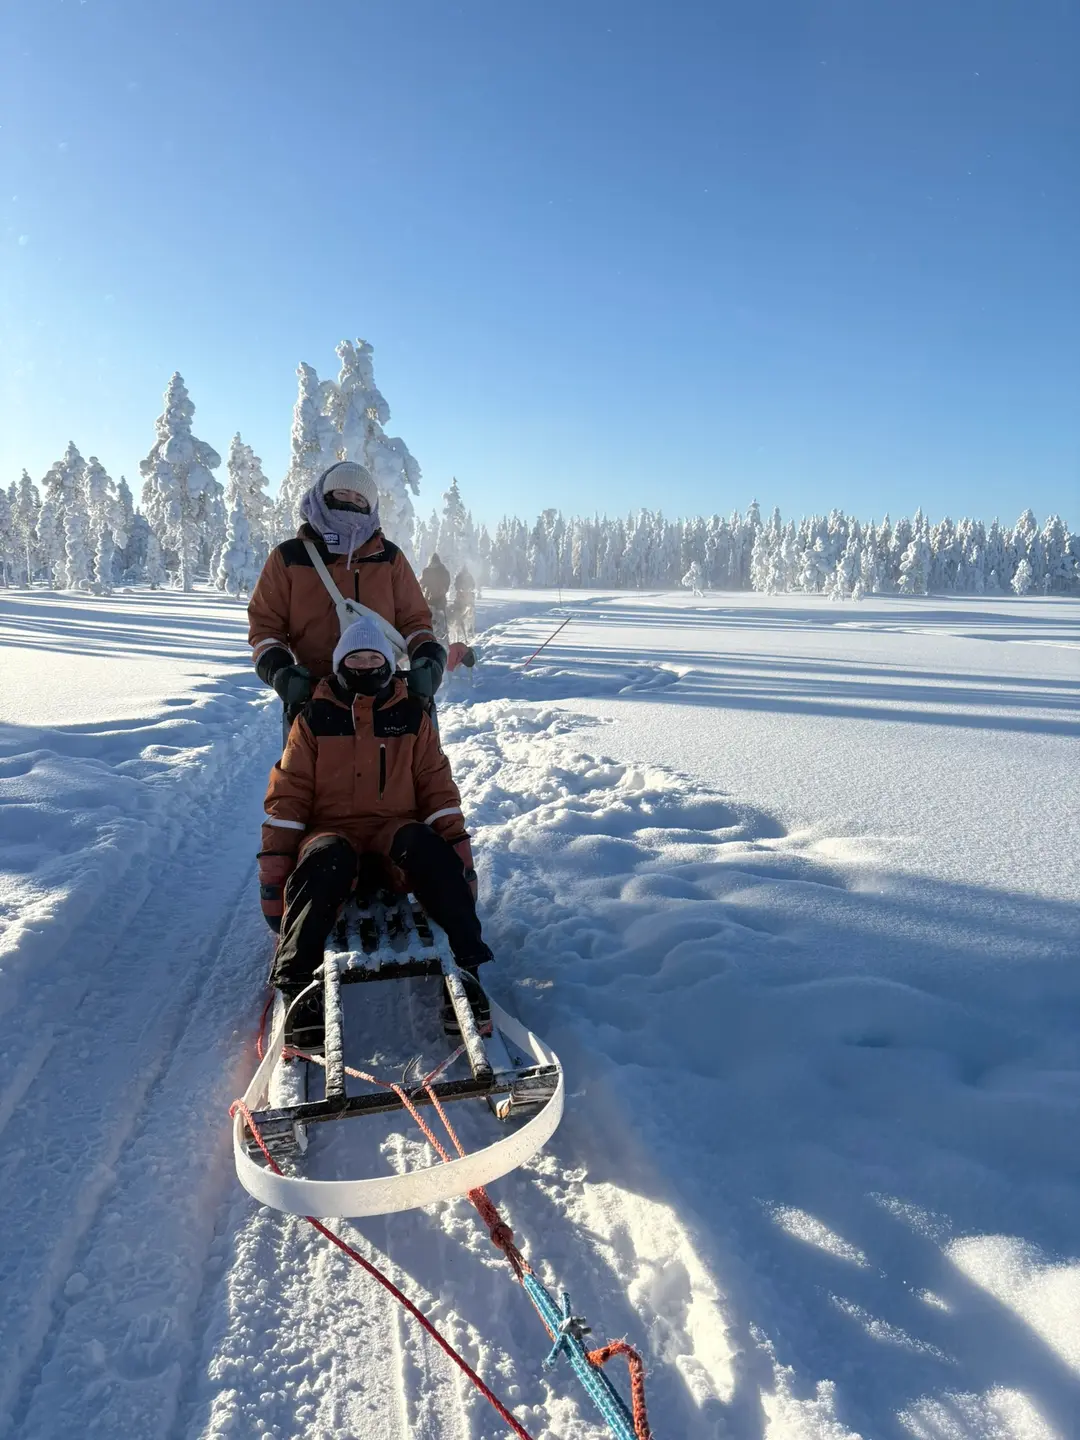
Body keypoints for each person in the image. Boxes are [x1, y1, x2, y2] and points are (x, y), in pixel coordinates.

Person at [257, 617, 492, 1050]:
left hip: (393, 834)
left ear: (387, 662)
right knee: (323, 863)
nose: (365, 665)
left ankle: (466, 971)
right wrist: (275, 871)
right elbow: (288, 798)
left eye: (373, 657)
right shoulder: (314, 719)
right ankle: (298, 989)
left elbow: (438, 791)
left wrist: (459, 859)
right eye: (355, 658)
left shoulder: (411, 718)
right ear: (339, 663)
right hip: (332, 833)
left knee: (428, 850)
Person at [248, 461, 446, 736]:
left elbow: (414, 621)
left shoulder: (388, 557)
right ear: (323, 495)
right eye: (342, 494)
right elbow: (265, 626)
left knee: (394, 777)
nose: (350, 503)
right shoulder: (289, 557)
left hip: (384, 694)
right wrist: (279, 671)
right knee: (307, 778)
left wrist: (428, 658)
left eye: (360, 498)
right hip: (313, 696)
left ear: (371, 507)